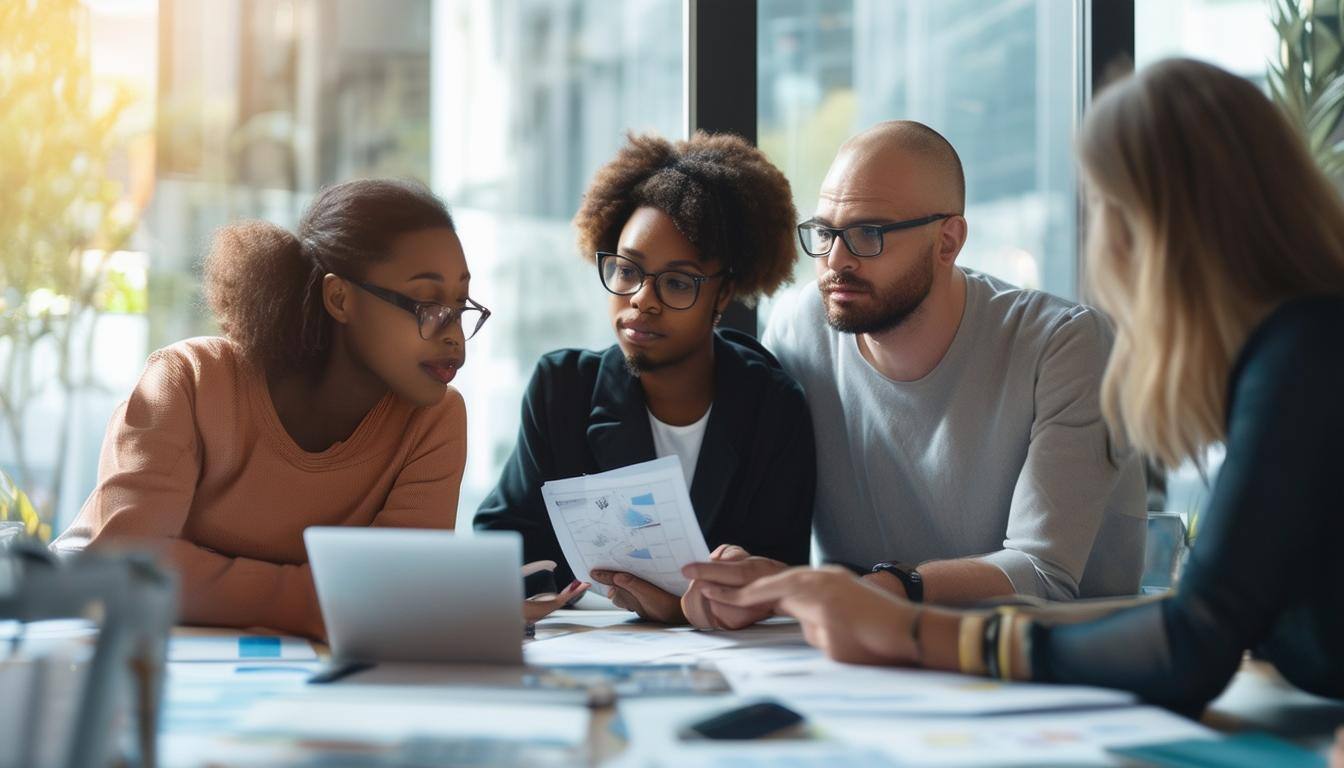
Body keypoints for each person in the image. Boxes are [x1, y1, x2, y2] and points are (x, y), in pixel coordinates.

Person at [694, 58, 1344, 714]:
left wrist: (906, 621)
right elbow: (1222, 617)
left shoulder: (1304, 360)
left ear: (1166, 231)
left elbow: (1192, 640)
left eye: (1111, 213)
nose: (1103, 249)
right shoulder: (1297, 351)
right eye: (827, 233)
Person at [53, 179, 581, 639]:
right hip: (89, 645)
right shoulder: (189, 381)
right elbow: (126, 570)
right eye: (427, 305)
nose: (455, 340)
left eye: (462, 308)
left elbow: (389, 591)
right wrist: (328, 601)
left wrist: (202, 575)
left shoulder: (435, 420)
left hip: (277, 666)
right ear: (340, 300)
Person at [681, 120, 1147, 629]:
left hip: (1058, 667)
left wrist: (876, 589)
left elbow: (1044, 574)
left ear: (947, 242)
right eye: (825, 232)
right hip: (870, 658)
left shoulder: (1065, 345)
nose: (836, 260)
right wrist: (728, 584)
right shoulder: (799, 328)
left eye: (867, 234)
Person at [474, 131, 815, 623]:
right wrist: (533, 594)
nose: (641, 299)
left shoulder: (772, 407)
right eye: (628, 270)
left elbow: (784, 578)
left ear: (723, 295)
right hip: (588, 647)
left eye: (677, 283)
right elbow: (501, 543)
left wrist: (684, 609)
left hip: (724, 659)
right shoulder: (561, 389)